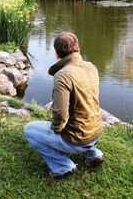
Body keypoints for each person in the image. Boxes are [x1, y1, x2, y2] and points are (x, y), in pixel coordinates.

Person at [24, 32, 103, 179]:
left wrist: (56, 130)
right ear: (78, 47)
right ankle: (93, 153)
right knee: (83, 116)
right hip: (97, 132)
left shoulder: (63, 75)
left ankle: (63, 167)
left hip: (77, 139)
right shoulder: (91, 67)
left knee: (29, 130)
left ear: (56, 52)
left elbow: (60, 114)